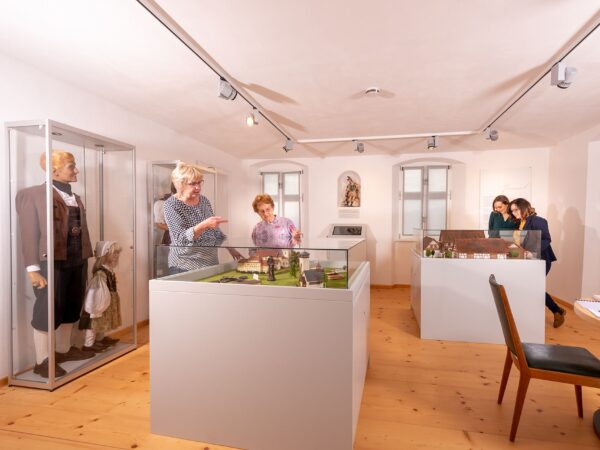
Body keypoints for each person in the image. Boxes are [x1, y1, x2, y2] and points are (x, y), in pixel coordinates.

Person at [16, 151, 94, 378]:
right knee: (47, 308)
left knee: (71, 304)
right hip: (51, 262)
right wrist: (32, 270)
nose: (76, 170)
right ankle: (42, 361)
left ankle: (63, 350)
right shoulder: (32, 195)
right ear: (54, 170)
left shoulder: (75, 197)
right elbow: (28, 234)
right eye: (71, 166)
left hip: (77, 259)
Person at [163, 162, 231, 274]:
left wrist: (230, 248)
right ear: (180, 184)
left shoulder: (204, 200)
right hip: (184, 266)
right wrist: (204, 225)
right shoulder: (171, 205)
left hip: (210, 263)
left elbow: (214, 229)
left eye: (199, 182)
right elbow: (180, 239)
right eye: (193, 183)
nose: (198, 187)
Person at [509, 198, 566, 328]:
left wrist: (533, 252)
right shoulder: (520, 222)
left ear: (524, 207)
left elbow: (546, 239)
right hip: (528, 260)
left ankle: (557, 311)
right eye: (512, 211)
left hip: (541, 259)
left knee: (535, 287)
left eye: (516, 210)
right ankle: (556, 311)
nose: (514, 213)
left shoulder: (538, 220)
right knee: (532, 287)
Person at [79, 241, 122, 352]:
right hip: (100, 300)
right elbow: (97, 290)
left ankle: (100, 339)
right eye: (114, 252)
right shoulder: (101, 272)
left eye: (117, 253)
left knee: (103, 321)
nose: (116, 255)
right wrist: (95, 305)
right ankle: (88, 344)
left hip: (108, 299)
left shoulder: (108, 268)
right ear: (104, 254)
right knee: (95, 323)